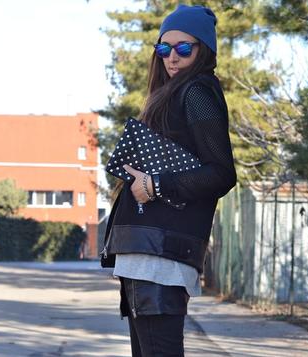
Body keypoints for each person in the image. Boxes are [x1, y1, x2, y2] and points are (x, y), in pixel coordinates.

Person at [101, 4, 236, 356]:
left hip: (161, 256)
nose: (172, 58)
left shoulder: (198, 92)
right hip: (146, 252)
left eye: (183, 49)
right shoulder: (171, 93)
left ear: (203, 50)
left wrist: (155, 185)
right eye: (164, 49)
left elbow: (221, 172)